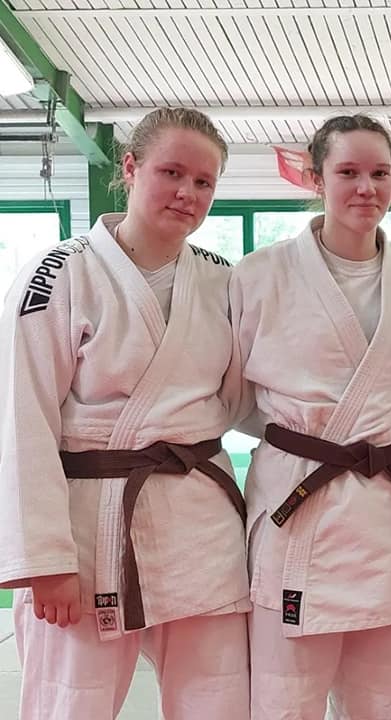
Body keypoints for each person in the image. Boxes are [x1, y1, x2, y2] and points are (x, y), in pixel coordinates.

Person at [0, 107, 250, 720]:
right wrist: (46, 561)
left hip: (201, 527)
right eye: (172, 172)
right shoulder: (59, 273)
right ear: (131, 168)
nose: (188, 193)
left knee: (219, 701)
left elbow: (246, 399)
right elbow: (21, 420)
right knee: (70, 704)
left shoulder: (223, 282)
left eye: (204, 182)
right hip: (90, 531)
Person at [232, 114, 391, 719]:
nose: (366, 188)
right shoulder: (259, 274)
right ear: (315, 177)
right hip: (298, 502)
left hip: (384, 511)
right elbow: (233, 392)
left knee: (384, 698)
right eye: (348, 172)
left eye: (380, 173)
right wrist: (300, 439)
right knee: (284, 698)